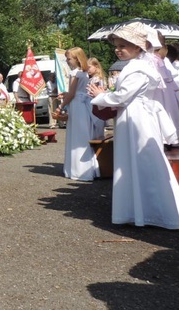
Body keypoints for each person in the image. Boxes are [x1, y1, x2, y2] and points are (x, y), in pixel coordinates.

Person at [89, 22, 179, 229]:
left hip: (137, 119)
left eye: (123, 46)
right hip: (132, 117)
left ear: (138, 47)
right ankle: (138, 210)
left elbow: (123, 96)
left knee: (143, 160)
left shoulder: (139, 68)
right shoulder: (136, 66)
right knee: (133, 161)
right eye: (116, 46)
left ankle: (157, 212)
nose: (118, 50)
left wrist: (101, 95)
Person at [56, 47, 97, 181]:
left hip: (77, 105)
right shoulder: (84, 73)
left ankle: (78, 170)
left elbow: (72, 93)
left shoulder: (75, 73)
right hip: (84, 105)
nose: (67, 61)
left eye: (69, 59)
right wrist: (67, 95)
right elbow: (76, 92)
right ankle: (86, 168)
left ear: (77, 59)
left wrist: (61, 106)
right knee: (83, 135)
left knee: (76, 136)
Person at [143, 29, 179, 146]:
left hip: (168, 95)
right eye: (164, 46)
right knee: (160, 119)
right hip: (157, 95)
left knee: (171, 115)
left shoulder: (164, 61)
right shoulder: (149, 60)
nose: (166, 49)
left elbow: (171, 79)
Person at [86, 58, 106, 139]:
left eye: (89, 67)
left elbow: (95, 91)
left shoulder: (97, 79)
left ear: (96, 66)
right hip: (93, 102)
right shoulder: (92, 78)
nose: (88, 70)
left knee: (97, 125)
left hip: (95, 103)